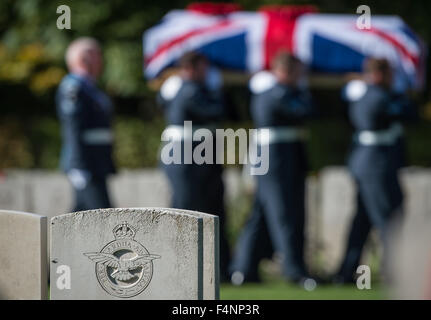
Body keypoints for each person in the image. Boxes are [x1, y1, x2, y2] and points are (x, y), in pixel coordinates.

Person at [230, 52, 316, 287]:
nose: (301, 77)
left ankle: (244, 269)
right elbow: (305, 111)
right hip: (275, 161)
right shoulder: (274, 94)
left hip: (284, 158)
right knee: (285, 214)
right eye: (297, 72)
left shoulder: (284, 92)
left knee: (261, 215)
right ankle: (294, 271)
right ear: (285, 71)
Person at [334, 58, 413, 284]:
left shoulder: (369, 93)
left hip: (372, 164)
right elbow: (407, 113)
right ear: (379, 74)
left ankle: (346, 272)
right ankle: (395, 271)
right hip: (374, 166)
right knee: (389, 217)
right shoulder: (374, 96)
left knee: (363, 221)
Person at [157, 52, 231, 280]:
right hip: (184, 154)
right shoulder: (188, 89)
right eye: (202, 68)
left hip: (204, 153)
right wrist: (217, 92)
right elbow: (216, 111)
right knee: (185, 206)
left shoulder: (191, 88)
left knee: (213, 207)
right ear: (190, 68)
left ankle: (218, 267)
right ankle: (175, 265)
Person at [56, 37, 116, 212]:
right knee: (102, 216)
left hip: (96, 164)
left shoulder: (89, 87)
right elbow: (73, 127)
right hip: (86, 164)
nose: (100, 61)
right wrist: (78, 165)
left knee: (80, 216)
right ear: (83, 59)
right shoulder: (73, 87)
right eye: (96, 55)